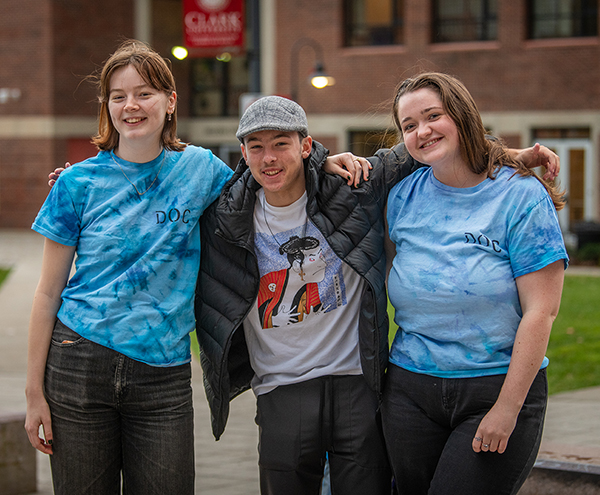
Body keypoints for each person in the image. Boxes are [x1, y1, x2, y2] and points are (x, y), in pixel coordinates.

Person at [193, 94, 560, 494]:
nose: (269, 158)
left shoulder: (350, 190)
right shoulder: (221, 218)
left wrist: (506, 155)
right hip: (282, 387)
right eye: (256, 146)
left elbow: (429, 145)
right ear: (242, 152)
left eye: (281, 143)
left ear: (305, 145)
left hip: (357, 382)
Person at [24, 39, 233, 494]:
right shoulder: (77, 183)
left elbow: (269, 184)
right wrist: (33, 393)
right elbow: (46, 292)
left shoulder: (200, 170)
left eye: (144, 93)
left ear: (170, 101)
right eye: (118, 96)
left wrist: (320, 160)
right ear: (107, 106)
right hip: (77, 362)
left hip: (163, 373)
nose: (131, 105)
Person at [380, 72, 568, 494]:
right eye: (409, 126)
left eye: (433, 116)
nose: (422, 131)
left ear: (461, 115)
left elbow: (542, 311)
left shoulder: (520, 196)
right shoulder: (401, 197)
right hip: (409, 390)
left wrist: (507, 408)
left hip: (495, 387)